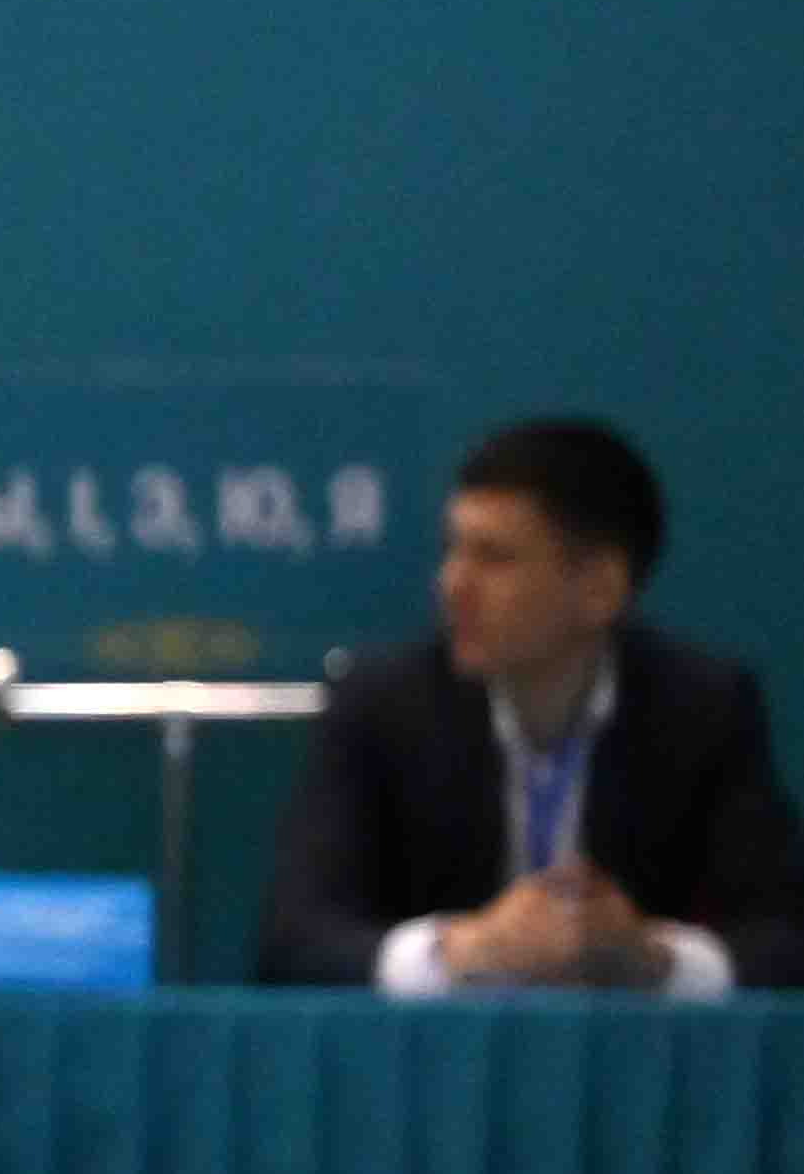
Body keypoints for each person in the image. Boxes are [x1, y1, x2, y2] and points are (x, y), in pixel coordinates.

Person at [260, 416, 804, 995]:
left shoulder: (702, 710)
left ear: (601, 588)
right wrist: (462, 949)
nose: (452, 583)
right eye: (453, 550)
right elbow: (292, 944)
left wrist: (655, 958)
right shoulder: (382, 706)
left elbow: (785, 942)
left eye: (494, 557)